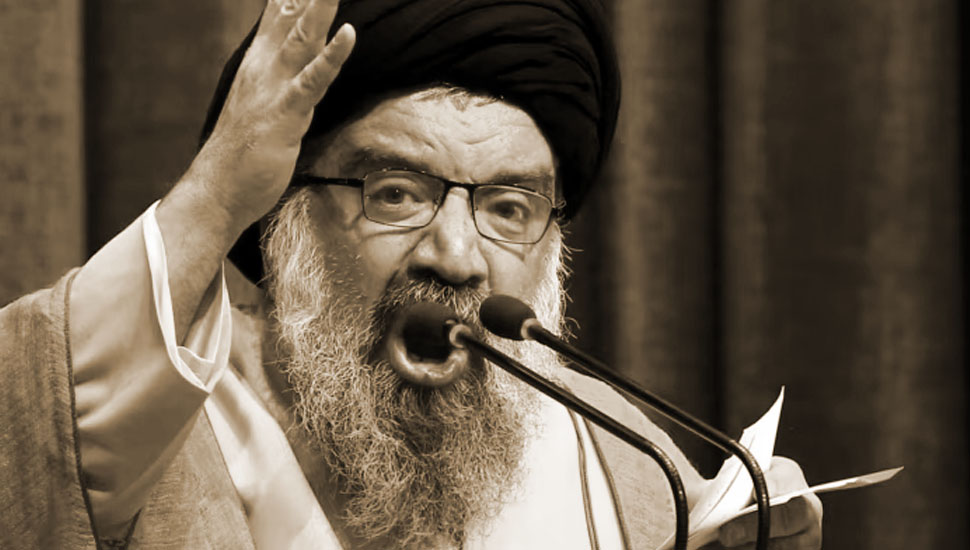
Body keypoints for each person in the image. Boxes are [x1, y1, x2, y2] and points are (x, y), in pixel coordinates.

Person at [0, 0, 823, 548]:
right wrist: (214, 194)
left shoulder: (621, 458)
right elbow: (28, 435)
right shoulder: (156, 416)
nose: (456, 257)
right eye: (396, 193)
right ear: (286, 215)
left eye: (509, 208)